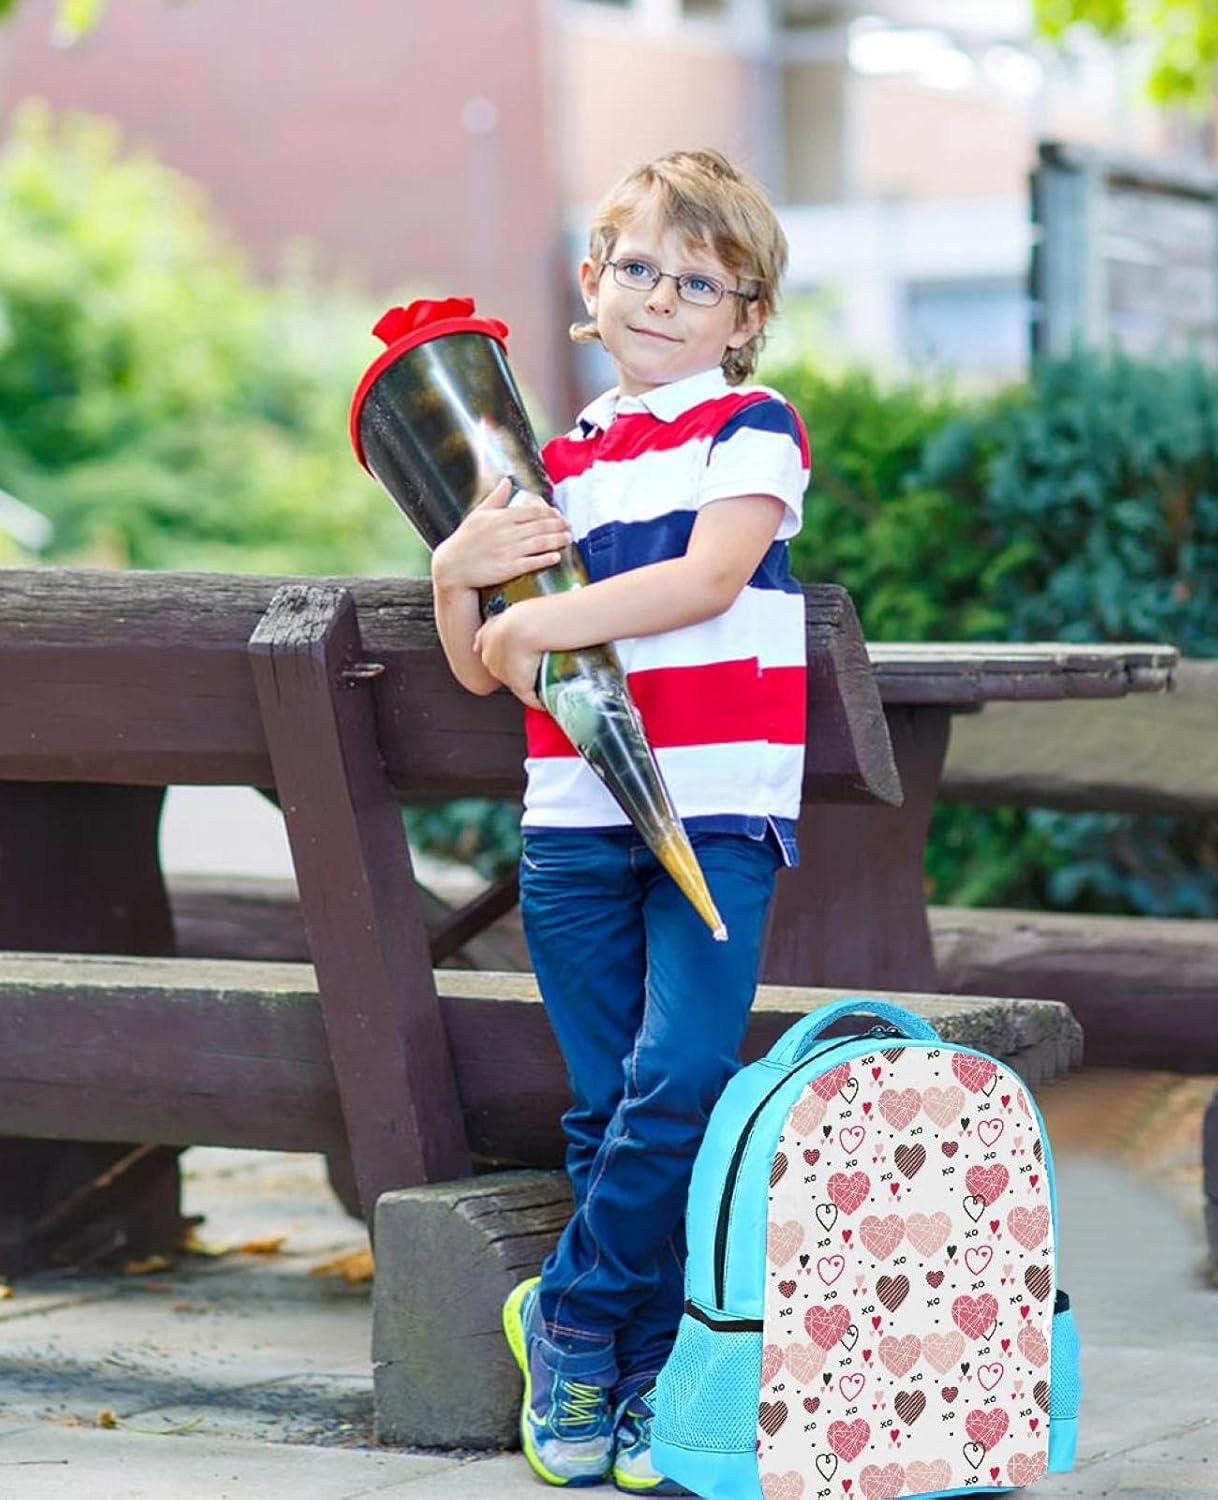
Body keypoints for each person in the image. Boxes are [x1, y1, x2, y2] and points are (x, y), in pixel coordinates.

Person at [429, 148, 810, 1492]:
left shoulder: (751, 426)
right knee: (608, 1105)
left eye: (698, 281)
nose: (661, 296)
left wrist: (537, 612)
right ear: (591, 286)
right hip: (574, 824)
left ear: (742, 315)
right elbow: (491, 666)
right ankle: (639, 1375)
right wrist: (457, 579)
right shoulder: (553, 466)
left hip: (716, 813)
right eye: (636, 268)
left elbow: (710, 580)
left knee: (683, 1079)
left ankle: (571, 1317)